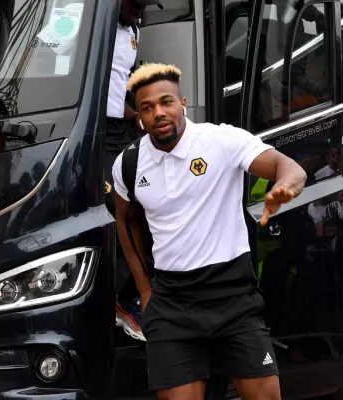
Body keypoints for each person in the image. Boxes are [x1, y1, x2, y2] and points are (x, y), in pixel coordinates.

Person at [112, 63, 307, 399]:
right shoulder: (128, 163)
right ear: (139, 117)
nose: (159, 113)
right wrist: (144, 289)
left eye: (166, 102)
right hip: (172, 305)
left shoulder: (221, 140)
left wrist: (285, 185)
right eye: (147, 107)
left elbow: (287, 167)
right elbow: (125, 219)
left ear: (182, 102)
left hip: (232, 296)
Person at [105, 0, 163, 342]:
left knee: (146, 204)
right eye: (135, 4)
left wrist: (139, 112)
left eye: (144, 6)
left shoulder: (133, 30)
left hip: (124, 130)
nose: (139, 11)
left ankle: (135, 292)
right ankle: (118, 298)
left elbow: (123, 82)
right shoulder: (95, 25)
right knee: (119, 211)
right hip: (101, 129)